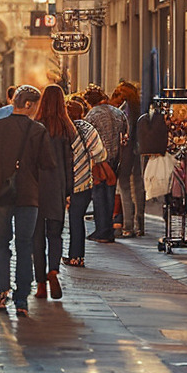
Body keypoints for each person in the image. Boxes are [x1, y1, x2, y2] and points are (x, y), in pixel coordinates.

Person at [0, 85, 55, 316]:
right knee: (24, 244)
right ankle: (21, 300)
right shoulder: (38, 130)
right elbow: (48, 165)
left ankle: (1, 291)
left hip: (1, 193)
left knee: (0, 243)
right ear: (28, 105)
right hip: (29, 195)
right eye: (35, 105)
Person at [31, 85, 74, 300]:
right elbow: (69, 163)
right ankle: (53, 270)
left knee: (36, 237)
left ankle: (40, 285)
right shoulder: (66, 128)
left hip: (37, 189)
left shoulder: (35, 127)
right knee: (55, 234)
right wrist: (68, 191)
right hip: (57, 188)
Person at [65, 95, 106, 267]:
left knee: (71, 219)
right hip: (85, 181)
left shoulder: (64, 129)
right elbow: (100, 153)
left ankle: (74, 256)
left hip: (66, 180)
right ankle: (78, 256)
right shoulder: (88, 129)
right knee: (77, 218)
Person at [84, 86, 127, 243]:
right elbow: (125, 132)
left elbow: (87, 137)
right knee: (110, 193)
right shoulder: (118, 112)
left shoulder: (92, 115)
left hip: (99, 158)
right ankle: (108, 229)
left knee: (99, 194)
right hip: (115, 157)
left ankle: (102, 230)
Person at [112, 81, 146, 237]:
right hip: (139, 150)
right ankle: (140, 224)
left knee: (124, 186)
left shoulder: (123, 110)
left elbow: (125, 132)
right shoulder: (140, 107)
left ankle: (128, 225)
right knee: (138, 185)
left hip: (125, 151)